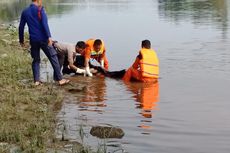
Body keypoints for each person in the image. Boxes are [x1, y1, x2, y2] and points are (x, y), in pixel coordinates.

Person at [19, 0, 69, 86]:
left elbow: (21, 27)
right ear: (38, 0)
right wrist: (49, 37)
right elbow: (44, 24)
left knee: (36, 60)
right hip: (43, 39)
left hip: (33, 40)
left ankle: (36, 81)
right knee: (53, 56)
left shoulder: (25, 11)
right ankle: (60, 79)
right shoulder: (40, 9)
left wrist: (21, 40)